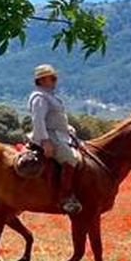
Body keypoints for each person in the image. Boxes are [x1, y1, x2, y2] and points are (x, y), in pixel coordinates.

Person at [29, 64, 83, 214]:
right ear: (41, 80)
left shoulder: (49, 96)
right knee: (70, 158)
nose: (55, 80)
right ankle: (65, 197)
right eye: (51, 77)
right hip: (48, 135)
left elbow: (56, 118)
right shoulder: (39, 97)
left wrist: (69, 129)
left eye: (54, 77)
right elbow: (38, 120)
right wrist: (45, 141)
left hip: (58, 134)